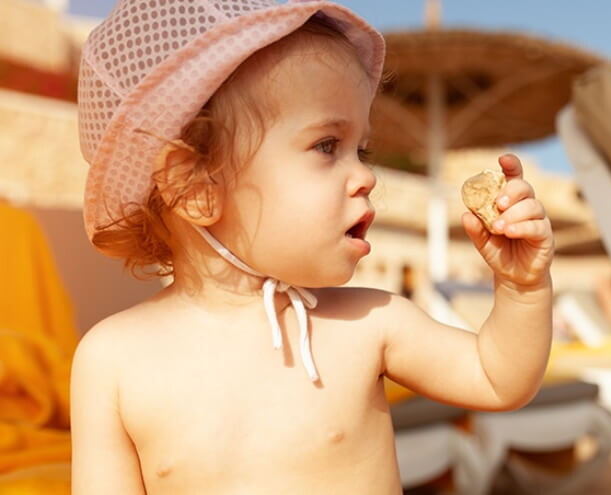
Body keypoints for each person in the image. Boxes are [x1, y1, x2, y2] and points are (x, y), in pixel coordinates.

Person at [69, 1, 555, 493]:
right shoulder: (113, 361)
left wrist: (522, 288)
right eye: (327, 146)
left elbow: (498, 378)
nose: (366, 176)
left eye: (360, 149)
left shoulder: (372, 323)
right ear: (195, 187)